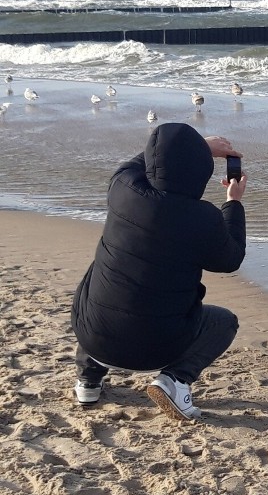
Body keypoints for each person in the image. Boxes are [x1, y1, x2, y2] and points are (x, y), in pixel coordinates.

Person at [71, 122, 247, 421]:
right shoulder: (204, 219)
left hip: (93, 336)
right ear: (200, 171)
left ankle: (88, 379)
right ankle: (175, 379)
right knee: (224, 322)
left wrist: (199, 145)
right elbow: (229, 260)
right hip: (158, 349)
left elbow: (140, 162)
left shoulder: (122, 189)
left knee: (105, 282)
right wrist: (233, 203)